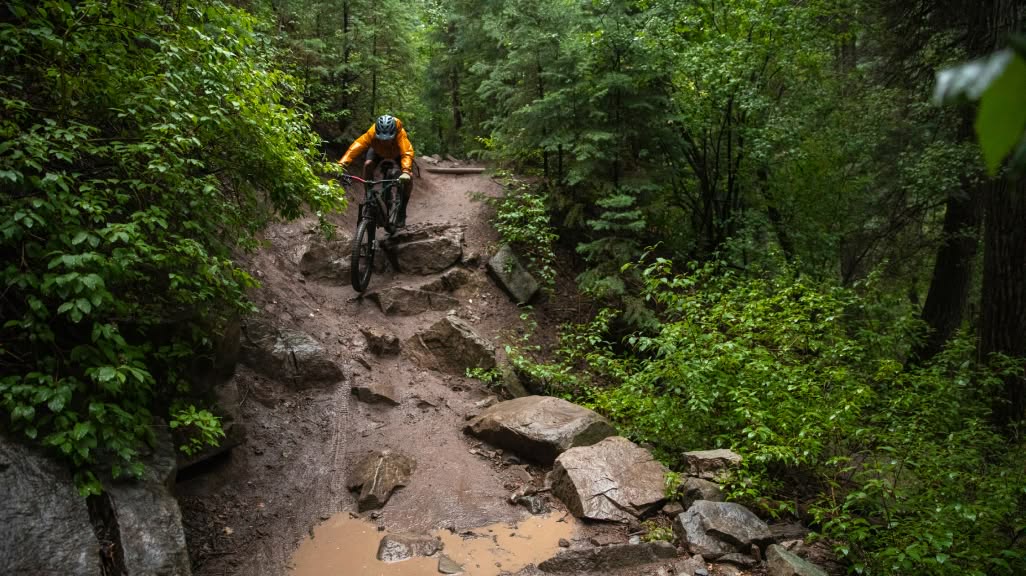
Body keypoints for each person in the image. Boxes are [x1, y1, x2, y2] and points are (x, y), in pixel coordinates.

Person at [339, 114, 415, 227]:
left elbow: (407, 152)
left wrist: (405, 171)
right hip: (377, 152)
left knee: (409, 177)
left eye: (388, 139)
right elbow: (357, 145)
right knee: (368, 164)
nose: (385, 142)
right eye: (382, 139)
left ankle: (402, 211)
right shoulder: (372, 132)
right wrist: (341, 165)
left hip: (397, 153)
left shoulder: (400, 134)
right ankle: (368, 194)